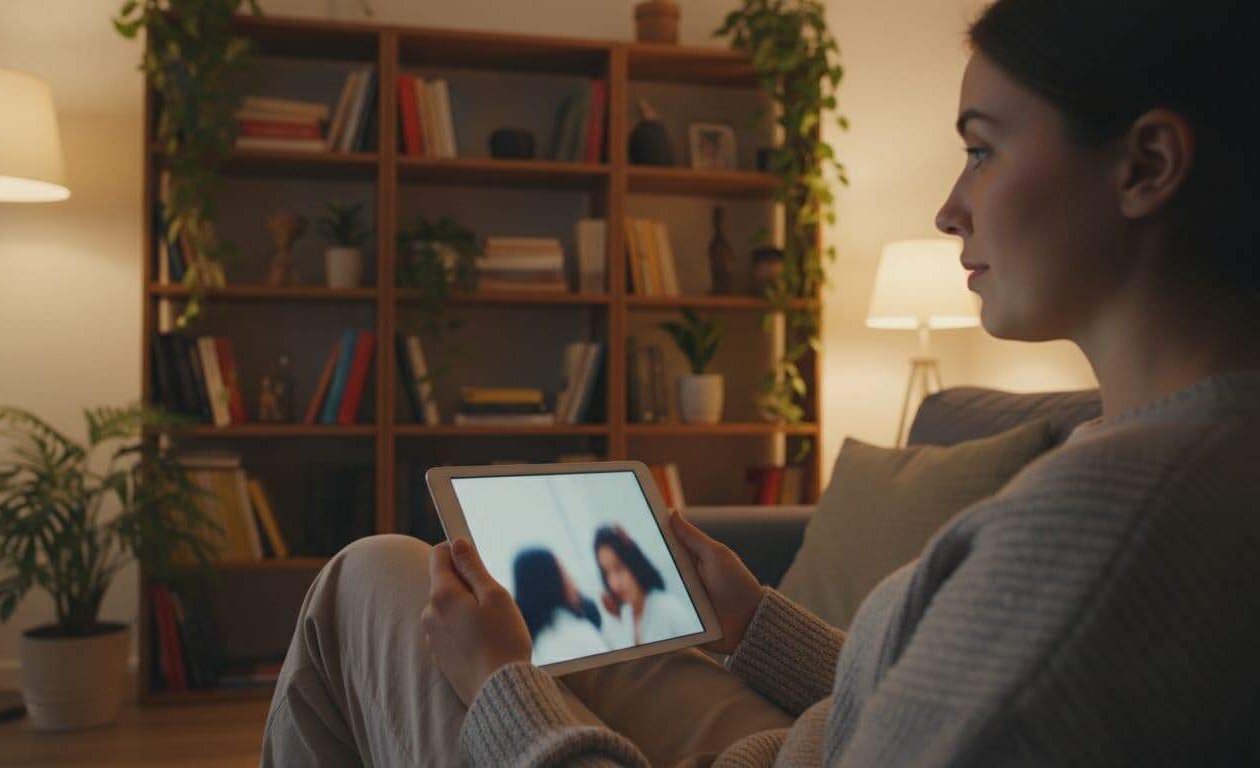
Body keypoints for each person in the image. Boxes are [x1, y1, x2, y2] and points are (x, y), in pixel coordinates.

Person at [261, 0, 1260, 765]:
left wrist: (499, 686)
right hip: (793, 740)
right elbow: (923, 705)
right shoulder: (1161, 450)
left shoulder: (1103, 528)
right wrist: (753, 623)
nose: (953, 208)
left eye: (982, 149)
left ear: (1147, 165)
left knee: (376, 574)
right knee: (567, 619)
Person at [592, 525, 698, 647]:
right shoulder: (625, 614)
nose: (614, 584)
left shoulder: (668, 609)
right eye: (607, 573)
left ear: (633, 563)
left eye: (618, 568)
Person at [510, 547, 608, 666]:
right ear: (552, 581)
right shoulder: (577, 634)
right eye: (563, 572)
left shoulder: (532, 648)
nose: (571, 580)